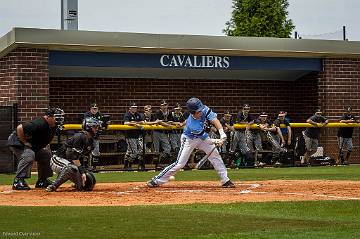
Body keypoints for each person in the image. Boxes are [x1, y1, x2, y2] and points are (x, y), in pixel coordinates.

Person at [147, 97, 235, 188]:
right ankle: (156, 180)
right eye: (198, 111)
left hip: (202, 138)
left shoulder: (204, 109)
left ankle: (225, 180)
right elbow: (206, 139)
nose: (200, 112)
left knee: (215, 155)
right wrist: (216, 141)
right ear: (192, 112)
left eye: (201, 110)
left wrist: (222, 133)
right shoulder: (192, 125)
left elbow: (215, 120)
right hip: (189, 140)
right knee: (180, 163)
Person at [7, 108, 65, 190]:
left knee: (46, 155)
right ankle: (18, 181)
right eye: (56, 118)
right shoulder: (39, 123)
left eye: (60, 118)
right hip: (18, 143)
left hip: (33, 145)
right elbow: (20, 128)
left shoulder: (53, 125)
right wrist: (25, 142)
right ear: (48, 117)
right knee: (29, 155)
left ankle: (42, 180)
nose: (59, 120)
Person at [46, 117, 101, 192]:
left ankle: (76, 184)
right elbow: (74, 158)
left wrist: (84, 172)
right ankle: (53, 186)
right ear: (88, 127)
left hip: (70, 162)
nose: (96, 129)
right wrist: (82, 172)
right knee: (71, 168)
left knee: (89, 181)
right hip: (57, 159)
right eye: (94, 127)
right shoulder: (79, 136)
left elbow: (82, 159)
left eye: (97, 127)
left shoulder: (91, 141)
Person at [123, 102, 145, 171]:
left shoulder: (137, 114)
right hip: (130, 136)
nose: (134, 109)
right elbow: (125, 123)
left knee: (133, 151)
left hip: (137, 135)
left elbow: (143, 122)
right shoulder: (127, 114)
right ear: (130, 108)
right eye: (133, 107)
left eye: (135, 107)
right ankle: (129, 165)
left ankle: (126, 165)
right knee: (134, 152)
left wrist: (137, 123)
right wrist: (135, 124)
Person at [152, 100, 174, 169]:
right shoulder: (158, 112)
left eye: (165, 105)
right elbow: (159, 122)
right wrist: (167, 125)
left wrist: (176, 123)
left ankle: (161, 163)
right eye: (163, 105)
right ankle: (157, 165)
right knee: (156, 150)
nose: (164, 106)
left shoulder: (169, 112)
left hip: (164, 133)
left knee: (168, 149)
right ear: (160, 106)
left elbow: (171, 121)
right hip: (156, 132)